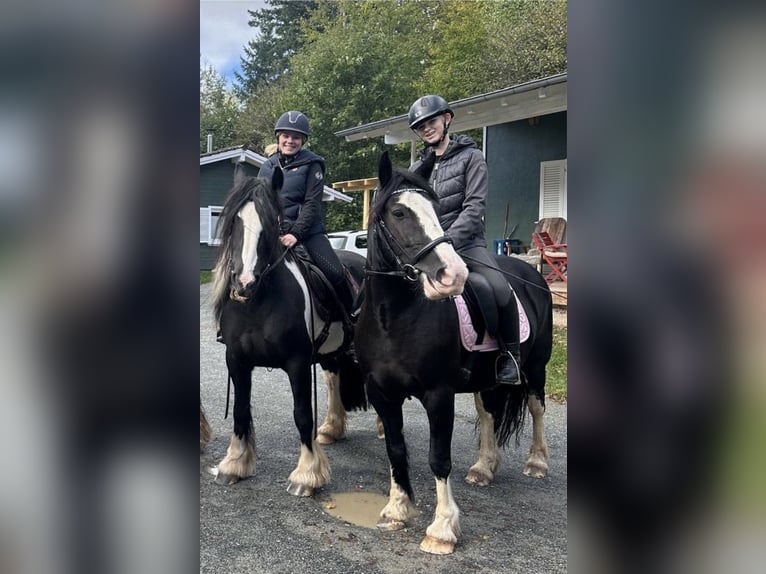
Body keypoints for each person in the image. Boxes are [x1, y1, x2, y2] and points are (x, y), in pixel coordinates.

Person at [408, 95, 521, 385]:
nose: (427, 129)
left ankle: (510, 356)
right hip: (426, 247)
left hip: (466, 243)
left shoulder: (472, 157)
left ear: (447, 119)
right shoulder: (418, 166)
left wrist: (447, 240)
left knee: (496, 287)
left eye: (431, 122)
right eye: (421, 127)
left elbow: (474, 207)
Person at [258, 111, 354, 315]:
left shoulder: (313, 164)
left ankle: (351, 317)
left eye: (296, 137)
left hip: (308, 233)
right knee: (242, 268)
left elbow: (312, 203)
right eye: (286, 136)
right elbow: (261, 202)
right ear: (278, 137)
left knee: (334, 272)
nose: (290, 141)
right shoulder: (267, 167)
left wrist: (296, 233)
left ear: (303, 141)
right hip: (273, 233)